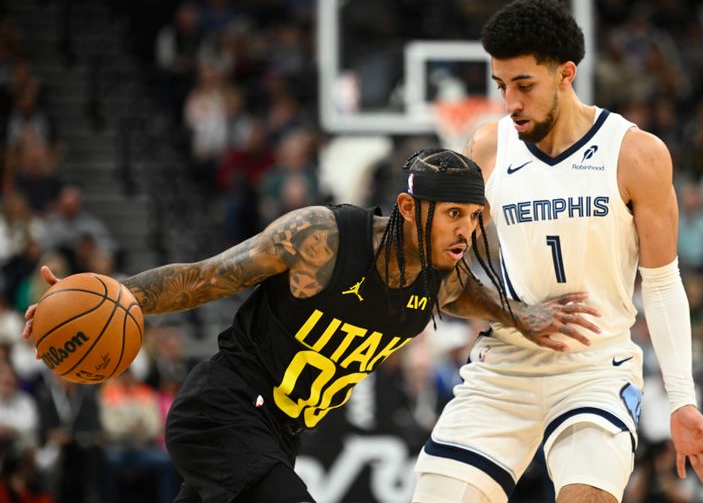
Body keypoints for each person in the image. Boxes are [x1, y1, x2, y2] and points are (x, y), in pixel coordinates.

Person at [23, 148, 600, 503]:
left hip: (278, 436)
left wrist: (519, 313)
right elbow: (203, 278)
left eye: (474, 219)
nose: (465, 232)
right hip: (225, 411)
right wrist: (114, 295)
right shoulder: (321, 239)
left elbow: (469, 294)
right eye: (453, 214)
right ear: (406, 208)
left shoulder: (439, 278)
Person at [413, 0, 703, 503]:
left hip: (595, 367)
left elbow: (664, 282)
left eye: (524, 85)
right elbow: (447, 273)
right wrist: (512, 312)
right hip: (504, 364)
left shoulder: (636, 153)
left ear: (565, 73)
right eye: (501, 87)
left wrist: (681, 400)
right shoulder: (488, 148)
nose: (510, 101)